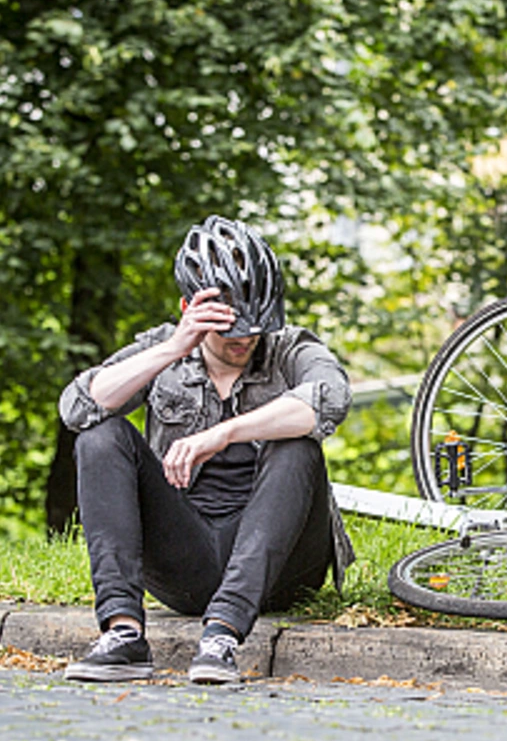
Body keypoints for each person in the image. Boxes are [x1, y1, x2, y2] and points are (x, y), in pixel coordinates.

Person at [59, 215, 353, 685]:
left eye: (254, 329)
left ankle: (222, 637)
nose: (243, 341)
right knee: (100, 437)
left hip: (283, 565)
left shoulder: (291, 347)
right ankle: (123, 634)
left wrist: (223, 433)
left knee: (297, 446)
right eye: (229, 330)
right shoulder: (165, 349)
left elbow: (331, 399)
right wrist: (175, 345)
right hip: (187, 559)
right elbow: (78, 407)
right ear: (190, 309)